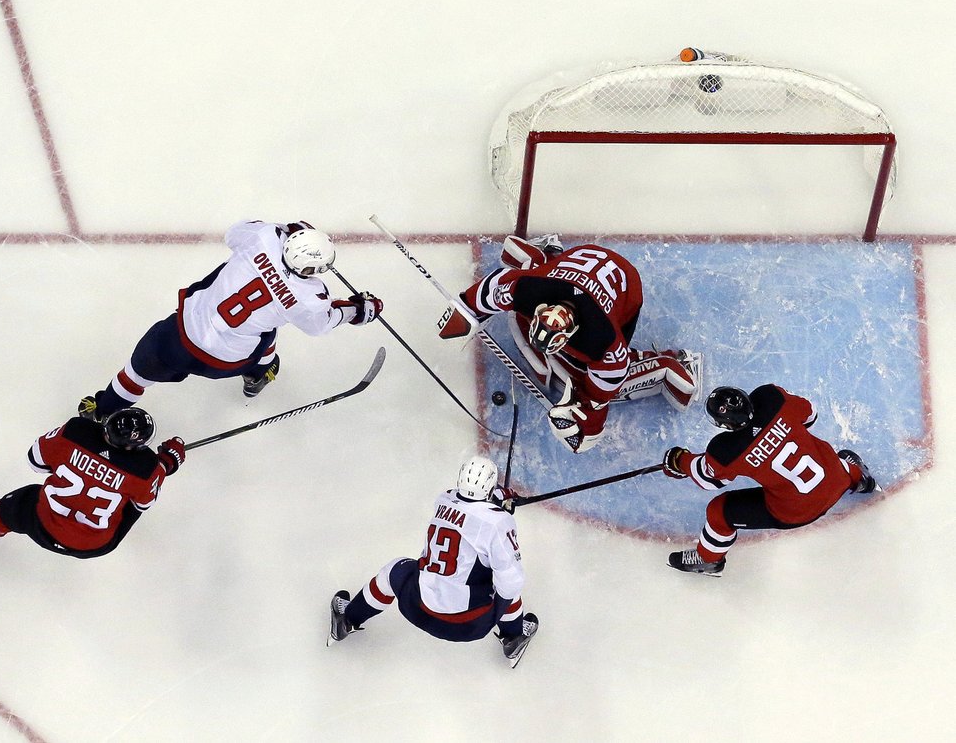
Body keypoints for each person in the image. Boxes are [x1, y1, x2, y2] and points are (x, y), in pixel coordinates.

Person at [78, 219, 384, 421]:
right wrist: (359, 310)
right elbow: (321, 324)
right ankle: (258, 375)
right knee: (269, 329)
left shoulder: (265, 238)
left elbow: (233, 233)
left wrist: (284, 227)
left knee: (136, 373)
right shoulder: (310, 296)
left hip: (179, 336)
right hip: (225, 362)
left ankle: (102, 411)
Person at [448, 234, 701, 453]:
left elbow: (597, 399)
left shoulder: (601, 339)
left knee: (583, 375)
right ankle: (547, 254)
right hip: (581, 262)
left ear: (573, 332)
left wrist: (583, 425)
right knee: (542, 277)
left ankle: (671, 365)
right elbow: (492, 288)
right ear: (542, 309)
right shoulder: (527, 290)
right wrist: (464, 309)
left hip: (625, 285)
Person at [327, 456, 539, 668]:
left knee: (395, 570)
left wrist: (499, 499)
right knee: (508, 585)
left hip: (417, 607)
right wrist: (496, 611)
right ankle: (513, 638)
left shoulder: (444, 499)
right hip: (468, 625)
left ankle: (347, 620)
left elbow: (470, 509)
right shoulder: (498, 522)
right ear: (491, 487)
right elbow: (510, 581)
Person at [661, 384, 878, 576]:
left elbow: (708, 480)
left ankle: (708, 559)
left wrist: (679, 461)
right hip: (838, 479)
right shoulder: (771, 398)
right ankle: (861, 480)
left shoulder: (724, 450)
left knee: (719, 512)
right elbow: (810, 414)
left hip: (795, 511)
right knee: (831, 464)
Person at [0, 408, 185, 561]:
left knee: (10, 508)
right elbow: (143, 503)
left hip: (43, 525)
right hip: (96, 545)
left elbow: (35, 461)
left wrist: (75, 464)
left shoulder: (76, 431)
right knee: (134, 504)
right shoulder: (147, 467)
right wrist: (165, 465)